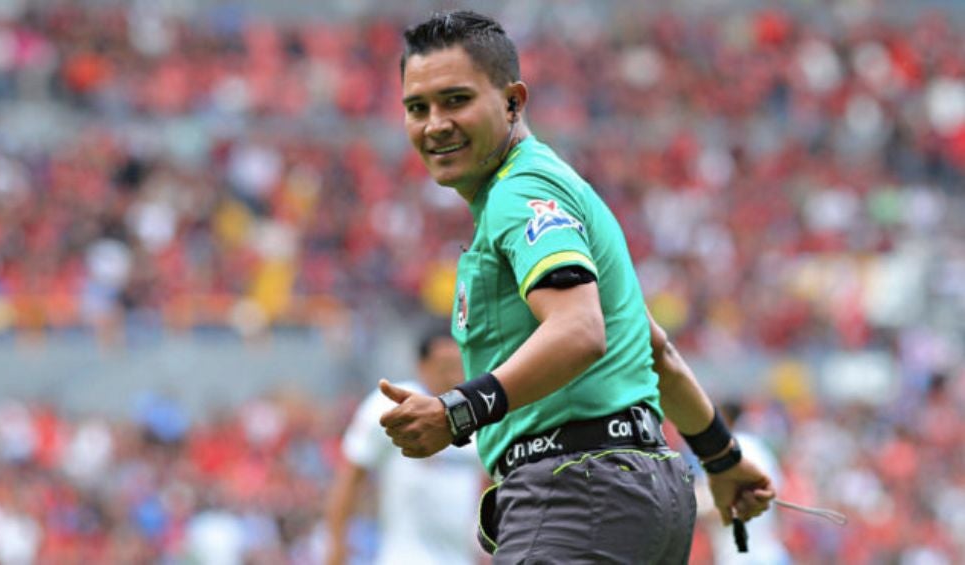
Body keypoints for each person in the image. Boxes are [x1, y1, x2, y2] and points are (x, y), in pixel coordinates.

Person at [378, 10, 775, 563]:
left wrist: (457, 412)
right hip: (643, 492)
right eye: (417, 108)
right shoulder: (558, 187)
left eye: (456, 100)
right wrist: (723, 460)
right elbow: (653, 348)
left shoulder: (520, 191)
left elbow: (581, 329)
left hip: (574, 491)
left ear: (513, 101)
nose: (435, 124)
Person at [324, 327, 483, 565]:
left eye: (458, 366)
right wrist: (337, 545)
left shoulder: (478, 413)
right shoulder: (392, 407)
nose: (452, 376)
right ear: (422, 366)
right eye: (444, 367)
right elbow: (350, 476)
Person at [700, 402, 790, 565]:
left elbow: (721, 509)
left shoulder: (720, 453)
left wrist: (695, 508)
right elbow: (778, 493)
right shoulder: (758, 447)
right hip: (771, 554)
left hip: (740, 558)